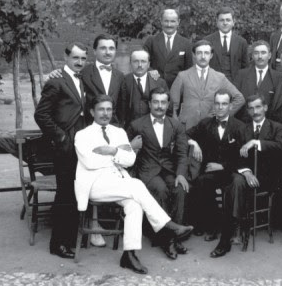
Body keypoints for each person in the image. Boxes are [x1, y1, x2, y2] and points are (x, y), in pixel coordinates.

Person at [74, 95, 193, 274]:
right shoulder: (82, 135)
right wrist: (118, 155)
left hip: (118, 182)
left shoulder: (119, 133)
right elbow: (90, 162)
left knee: (134, 205)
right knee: (136, 185)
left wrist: (111, 151)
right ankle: (167, 226)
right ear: (92, 112)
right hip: (94, 184)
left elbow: (130, 159)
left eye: (108, 109)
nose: (105, 113)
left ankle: (129, 255)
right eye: (101, 109)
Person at [34, 42, 89, 259]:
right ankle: (58, 244)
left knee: (75, 193)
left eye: (83, 58)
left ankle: (70, 239)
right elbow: (41, 115)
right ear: (66, 58)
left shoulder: (81, 80)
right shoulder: (56, 81)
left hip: (80, 147)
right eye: (75, 58)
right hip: (65, 148)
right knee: (65, 194)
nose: (79, 62)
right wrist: (61, 136)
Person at [126, 87, 190, 260]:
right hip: (147, 171)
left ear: (168, 104)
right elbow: (126, 151)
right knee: (160, 189)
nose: (159, 106)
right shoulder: (137, 125)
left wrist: (180, 174)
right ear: (149, 104)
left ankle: (175, 236)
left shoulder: (175, 125)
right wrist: (132, 147)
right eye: (155, 102)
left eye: (163, 102)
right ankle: (167, 240)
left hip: (169, 170)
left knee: (180, 189)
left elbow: (182, 153)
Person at [186, 90, 246, 258]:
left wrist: (222, 166)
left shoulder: (240, 126)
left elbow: (243, 158)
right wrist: (194, 143)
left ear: (230, 106)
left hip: (232, 172)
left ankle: (226, 239)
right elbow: (184, 135)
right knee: (202, 182)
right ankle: (211, 225)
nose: (220, 107)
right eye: (217, 103)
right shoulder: (205, 124)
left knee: (234, 186)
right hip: (212, 172)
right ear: (213, 105)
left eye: (224, 104)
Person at [170, 39, 245, 129]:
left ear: (211, 55)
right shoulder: (183, 76)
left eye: (206, 53)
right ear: (194, 55)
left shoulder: (219, 77)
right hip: (186, 126)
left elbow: (239, 99)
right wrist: (175, 123)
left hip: (211, 127)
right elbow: (172, 103)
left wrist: (222, 115)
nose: (203, 56)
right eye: (199, 53)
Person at [233, 40, 282, 123]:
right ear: (252, 56)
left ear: (269, 55)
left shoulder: (279, 77)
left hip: (269, 124)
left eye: (263, 53)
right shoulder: (241, 75)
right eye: (256, 53)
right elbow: (235, 99)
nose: (260, 56)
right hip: (244, 123)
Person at [143, 9, 193, 88]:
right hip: (155, 86)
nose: (169, 25)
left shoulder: (186, 43)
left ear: (178, 22)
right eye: (166, 21)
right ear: (161, 21)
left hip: (177, 88)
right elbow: (142, 61)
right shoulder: (151, 41)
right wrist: (150, 70)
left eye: (172, 21)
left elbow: (189, 69)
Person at [122, 49, 170, 126]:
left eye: (143, 61)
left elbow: (169, 108)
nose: (140, 65)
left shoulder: (160, 82)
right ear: (130, 64)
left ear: (148, 64)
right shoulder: (123, 81)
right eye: (136, 61)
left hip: (154, 127)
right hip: (129, 127)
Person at [204, 7, 249, 81]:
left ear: (233, 22)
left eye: (228, 20)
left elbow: (245, 67)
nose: (225, 23)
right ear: (217, 22)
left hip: (235, 84)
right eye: (222, 20)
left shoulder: (241, 42)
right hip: (213, 83)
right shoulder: (207, 41)